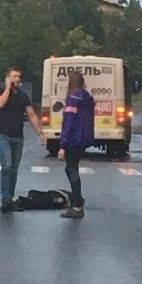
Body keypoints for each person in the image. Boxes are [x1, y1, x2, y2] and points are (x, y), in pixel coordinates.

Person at [0, 66, 47, 213]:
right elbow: (1, 103)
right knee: (7, 167)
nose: (17, 79)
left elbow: (31, 115)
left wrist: (40, 134)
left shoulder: (23, 96)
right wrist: (7, 88)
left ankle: (10, 198)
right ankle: (5, 200)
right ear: (8, 78)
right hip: (3, 135)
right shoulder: (0, 92)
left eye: (18, 77)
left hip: (18, 136)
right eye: (14, 77)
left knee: (14, 171)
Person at [56, 70, 95, 220]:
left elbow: (69, 122)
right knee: (73, 167)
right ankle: (78, 199)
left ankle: (77, 205)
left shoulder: (72, 98)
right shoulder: (87, 96)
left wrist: (62, 145)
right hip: (84, 138)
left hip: (73, 139)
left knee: (71, 169)